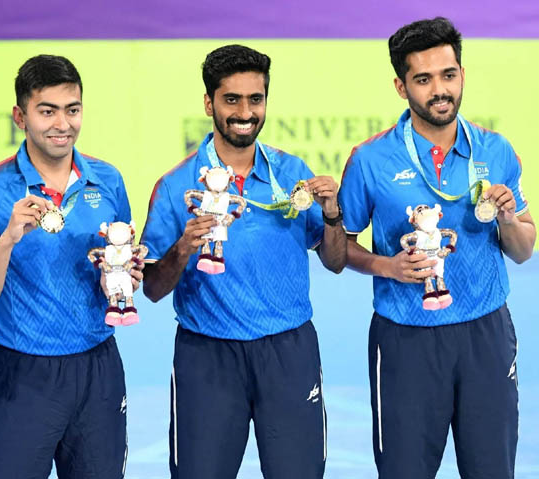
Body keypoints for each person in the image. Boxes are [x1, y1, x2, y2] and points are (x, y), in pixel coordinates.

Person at [338, 17, 535, 478]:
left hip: (486, 334)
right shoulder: (370, 160)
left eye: (448, 75)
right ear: (401, 86)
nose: (440, 90)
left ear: (462, 74)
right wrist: (386, 266)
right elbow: (338, 246)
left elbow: (524, 249)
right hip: (405, 338)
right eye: (423, 79)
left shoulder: (495, 150)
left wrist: (508, 219)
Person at [140, 44, 346, 479]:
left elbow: (335, 260)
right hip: (207, 356)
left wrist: (332, 215)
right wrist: (183, 247)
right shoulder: (176, 186)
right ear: (209, 103)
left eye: (256, 99)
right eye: (231, 99)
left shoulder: (292, 173)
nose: (245, 112)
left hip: (289, 352)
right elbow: (153, 288)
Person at [0, 54, 136, 479]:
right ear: (20, 116)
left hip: (98, 369)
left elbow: (122, 268)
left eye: (72, 110)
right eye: (47, 111)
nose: (62, 124)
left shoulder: (108, 181)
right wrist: (8, 239)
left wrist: (124, 274)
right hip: (21, 375)